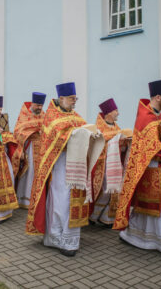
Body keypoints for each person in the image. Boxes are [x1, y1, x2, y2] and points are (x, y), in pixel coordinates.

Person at [26, 82, 104, 257]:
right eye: (71, 99)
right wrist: (74, 135)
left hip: (76, 166)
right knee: (62, 202)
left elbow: (82, 129)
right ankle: (56, 237)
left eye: (75, 98)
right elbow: (55, 137)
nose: (74, 102)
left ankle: (71, 239)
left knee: (73, 200)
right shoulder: (51, 116)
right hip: (60, 166)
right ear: (61, 98)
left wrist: (92, 134)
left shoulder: (74, 115)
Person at [114, 80, 161, 254]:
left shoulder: (160, 116)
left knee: (156, 204)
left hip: (158, 168)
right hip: (149, 167)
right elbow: (145, 148)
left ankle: (138, 236)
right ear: (158, 97)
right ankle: (154, 240)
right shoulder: (146, 117)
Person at [12, 92, 46, 208]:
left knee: (38, 173)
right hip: (28, 148)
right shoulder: (24, 114)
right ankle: (24, 199)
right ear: (32, 103)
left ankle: (35, 199)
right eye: (37, 105)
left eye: (41, 106)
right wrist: (30, 132)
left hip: (40, 148)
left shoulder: (43, 114)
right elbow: (17, 131)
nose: (40, 108)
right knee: (28, 171)